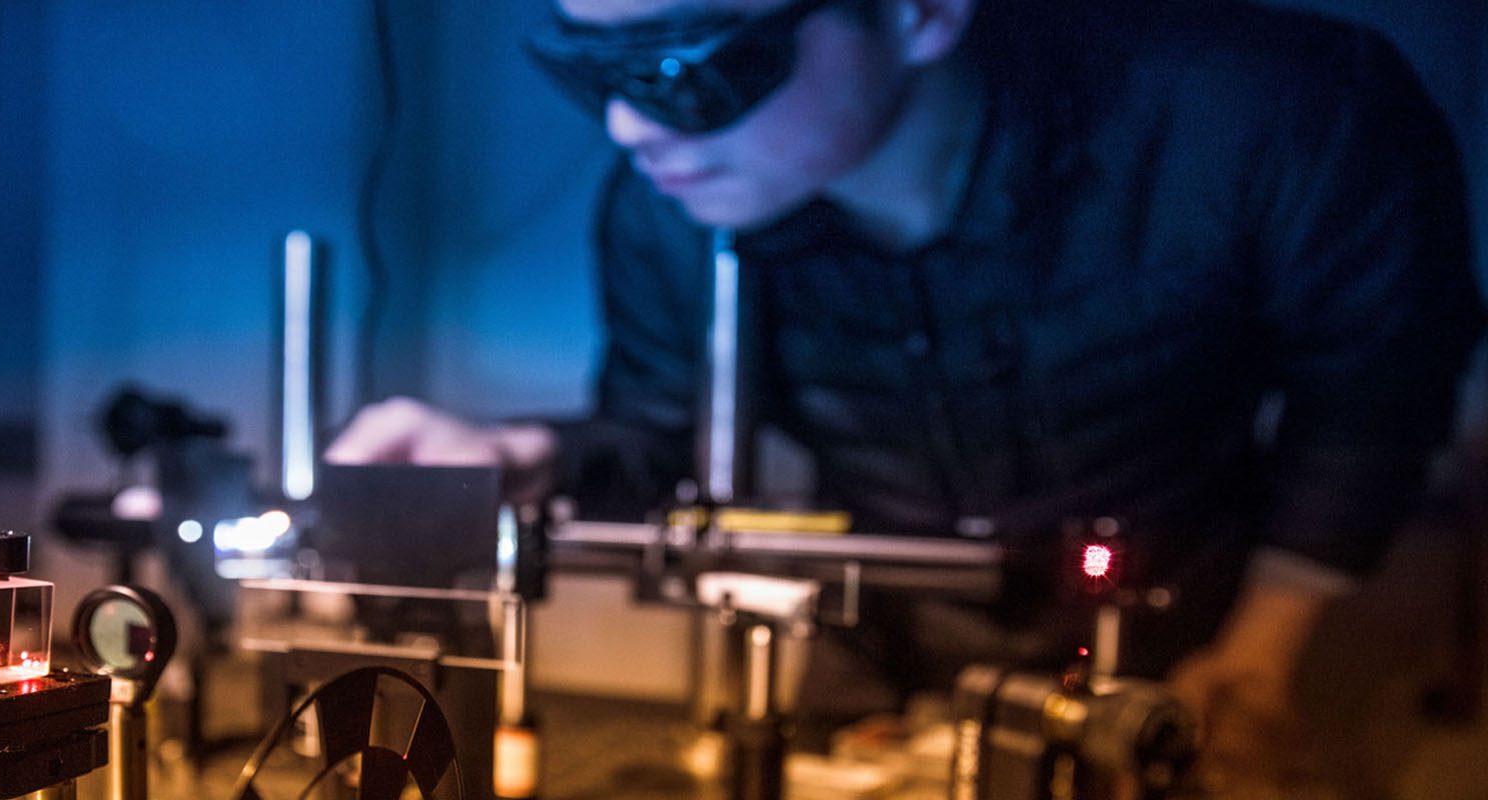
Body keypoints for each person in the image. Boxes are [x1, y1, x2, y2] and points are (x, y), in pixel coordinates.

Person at [326, 0, 1485, 790]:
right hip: (869, 657)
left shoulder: (1265, 116)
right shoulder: (672, 211)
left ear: (920, 11)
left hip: (1214, 634)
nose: (629, 129)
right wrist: (516, 449)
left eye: (685, 67)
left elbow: (1371, 392)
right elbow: (658, 428)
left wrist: (1264, 653)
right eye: (591, 75)